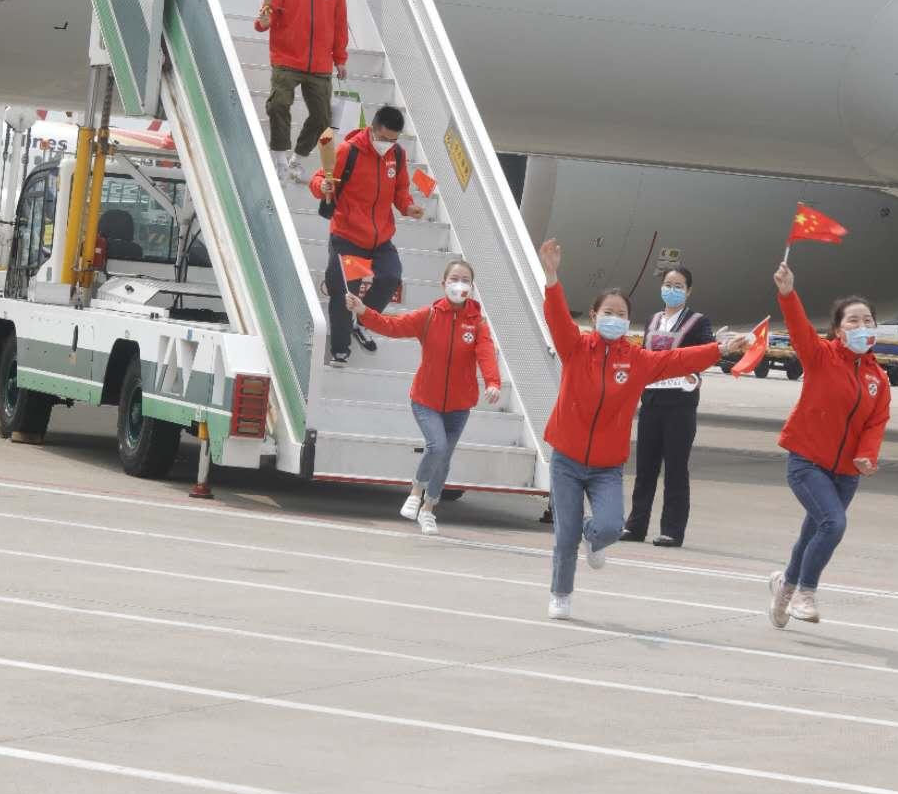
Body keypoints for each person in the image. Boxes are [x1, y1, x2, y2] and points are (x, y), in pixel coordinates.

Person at [538, 239, 748, 620]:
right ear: (594, 315)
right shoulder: (575, 348)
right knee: (564, 535)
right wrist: (552, 277)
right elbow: (556, 318)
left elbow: (676, 359)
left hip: (606, 466)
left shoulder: (636, 360)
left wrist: (719, 349)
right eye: (608, 312)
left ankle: (593, 537)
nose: (614, 318)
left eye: (621, 314)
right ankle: (561, 594)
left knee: (610, 527)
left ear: (629, 321)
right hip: (567, 458)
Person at [767, 261, 891, 628]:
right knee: (833, 524)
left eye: (867, 320)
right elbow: (799, 328)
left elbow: (876, 422)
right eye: (853, 321)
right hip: (808, 462)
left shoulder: (878, 378)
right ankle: (805, 592)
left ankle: (785, 586)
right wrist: (788, 293)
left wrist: (866, 456)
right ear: (838, 329)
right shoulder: (820, 356)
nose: (862, 326)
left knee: (814, 531)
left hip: (846, 473)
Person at [347, 257, 501, 534]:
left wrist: (493, 382)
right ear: (443, 284)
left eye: (465, 280)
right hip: (425, 400)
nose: (459, 284)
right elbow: (392, 325)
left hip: (459, 405)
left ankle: (428, 510)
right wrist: (364, 311)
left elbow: (486, 353)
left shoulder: (477, 323)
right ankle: (416, 492)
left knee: (444, 458)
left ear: (472, 287)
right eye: (454, 279)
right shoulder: (429, 315)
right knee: (437, 447)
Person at [309, 104, 426, 366]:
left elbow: (401, 190)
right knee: (345, 294)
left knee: (391, 277)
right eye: (384, 138)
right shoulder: (348, 150)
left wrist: (408, 207)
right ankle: (340, 349)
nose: (388, 145)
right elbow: (318, 179)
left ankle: (361, 323)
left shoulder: (397, 155)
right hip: (348, 238)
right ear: (373, 130)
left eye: (393, 140)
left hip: (381, 239)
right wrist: (322, 185)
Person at [621, 266, 714, 548]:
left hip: (680, 404)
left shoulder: (698, 322)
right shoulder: (653, 320)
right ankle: (636, 525)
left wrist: (694, 374)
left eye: (678, 286)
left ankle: (672, 530)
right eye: (668, 285)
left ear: (688, 291)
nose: (672, 290)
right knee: (645, 467)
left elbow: (707, 353)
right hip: (652, 401)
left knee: (675, 468)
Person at [255, 0, 348, 185]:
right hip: (287, 58)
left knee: (322, 118)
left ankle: (297, 159)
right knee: (278, 105)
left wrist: (340, 58)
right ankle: (280, 158)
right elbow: (267, 13)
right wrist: (263, 21)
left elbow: (340, 22)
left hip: (320, 63)